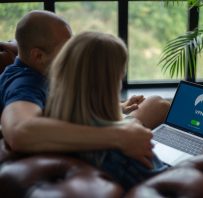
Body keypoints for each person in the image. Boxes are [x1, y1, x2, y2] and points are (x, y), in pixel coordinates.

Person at [0, 10, 170, 168]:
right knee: (157, 105)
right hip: (92, 151)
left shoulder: (42, 72)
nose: (74, 53)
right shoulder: (23, 84)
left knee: (157, 104)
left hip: (91, 137)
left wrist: (119, 107)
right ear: (38, 56)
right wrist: (119, 135)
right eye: (67, 49)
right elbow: (19, 131)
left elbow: (54, 110)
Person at [45, 31, 169, 189]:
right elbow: (167, 188)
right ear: (111, 83)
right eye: (120, 75)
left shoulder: (49, 130)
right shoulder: (128, 149)